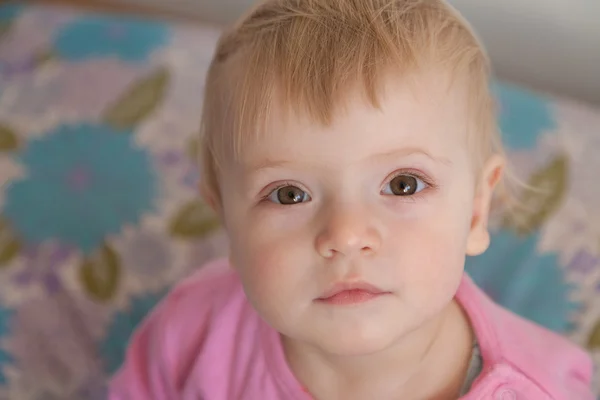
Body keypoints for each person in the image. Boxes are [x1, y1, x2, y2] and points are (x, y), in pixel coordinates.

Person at [109, 0, 594, 398]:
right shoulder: (193, 333)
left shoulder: (536, 390)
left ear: (474, 210)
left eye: (403, 185)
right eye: (288, 194)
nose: (345, 236)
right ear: (227, 223)